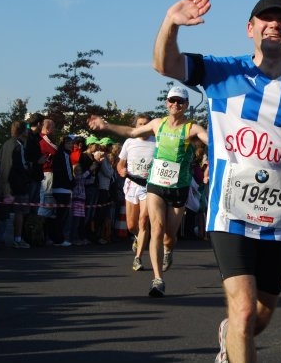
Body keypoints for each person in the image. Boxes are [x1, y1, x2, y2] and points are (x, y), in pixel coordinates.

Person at [147, 0, 281, 362]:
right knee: (242, 312)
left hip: (279, 218)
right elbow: (165, 64)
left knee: (260, 317)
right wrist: (170, 23)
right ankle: (234, 334)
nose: (275, 24)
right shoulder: (223, 71)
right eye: (265, 19)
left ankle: (230, 336)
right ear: (250, 29)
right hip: (229, 212)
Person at [89, 86, 208, 297]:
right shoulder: (157, 124)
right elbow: (132, 132)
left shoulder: (192, 129)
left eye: (180, 101)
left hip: (179, 188)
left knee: (169, 236)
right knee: (157, 228)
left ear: (186, 105)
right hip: (155, 184)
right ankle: (158, 280)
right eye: (172, 100)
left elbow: (213, 141)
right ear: (167, 103)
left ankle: (169, 250)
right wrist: (106, 125)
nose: (175, 104)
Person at [117, 113, 156, 271]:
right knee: (132, 225)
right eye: (140, 124)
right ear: (135, 126)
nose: (143, 127)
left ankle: (138, 258)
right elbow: (120, 164)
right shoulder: (129, 142)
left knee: (143, 221)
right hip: (132, 183)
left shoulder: (157, 142)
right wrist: (121, 170)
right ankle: (136, 237)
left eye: (146, 124)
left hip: (148, 185)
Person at [0, 121, 32, 249]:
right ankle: (17, 239)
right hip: (18, 183)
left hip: (4, 181)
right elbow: (20, 165)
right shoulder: (19, 145)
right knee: (20, 211)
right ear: (23, 131)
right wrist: (27, 172)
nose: (28, 131)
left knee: (3, 212)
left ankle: (0, 238)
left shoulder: (6, 143)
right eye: (26, 129)